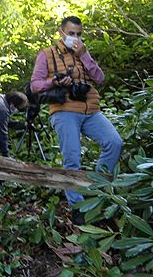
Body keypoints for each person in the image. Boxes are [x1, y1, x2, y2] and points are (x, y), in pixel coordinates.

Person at [30, 16, 123, 225]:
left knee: (114, 143)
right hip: (64, 110)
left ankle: (97, 192)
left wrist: (85, 55)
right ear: (61, 33)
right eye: (71, 33)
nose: (75, 37)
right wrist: (54, 80)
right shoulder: (47, 54)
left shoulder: (83, 53)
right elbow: (35, 85)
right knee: (72, 159)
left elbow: (99, 79)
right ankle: (78, 208)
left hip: (91, 109)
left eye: (79, 34)